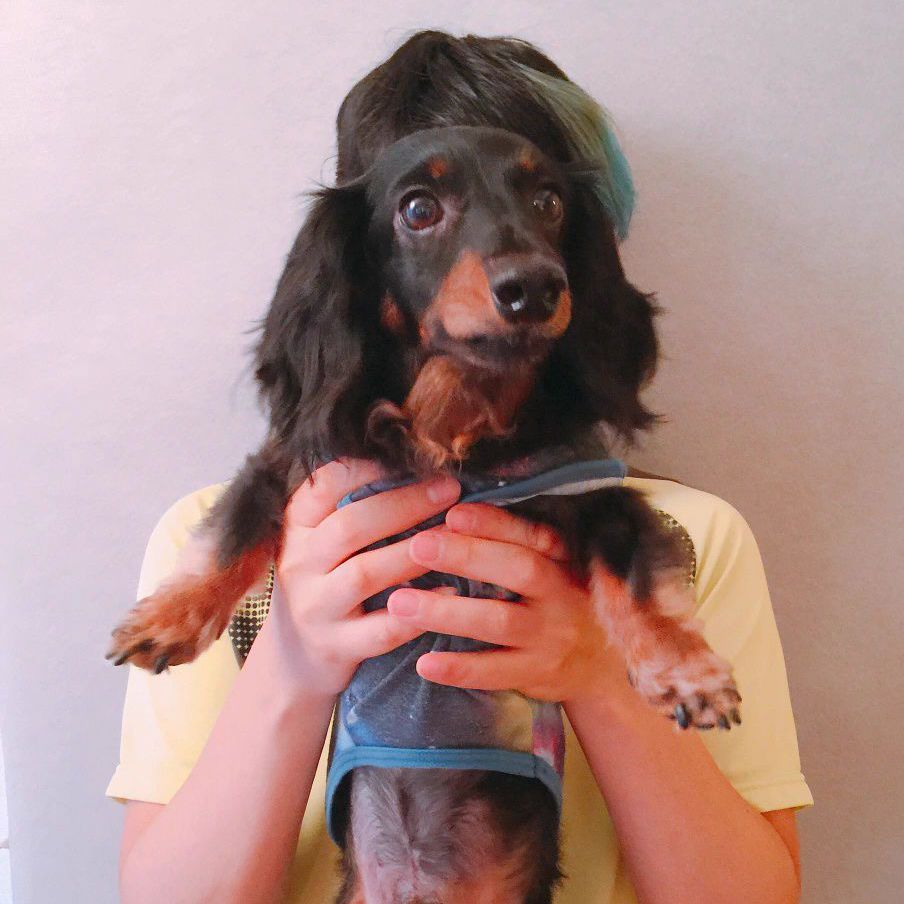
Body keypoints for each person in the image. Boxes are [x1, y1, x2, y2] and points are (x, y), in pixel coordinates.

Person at [106, 31, 812, 904]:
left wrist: (597, 675)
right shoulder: (228, 551)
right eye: (423, 210)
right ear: (363, 268)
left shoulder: (686, 542)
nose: (514, 256)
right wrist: (294, 662)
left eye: (543, 204)